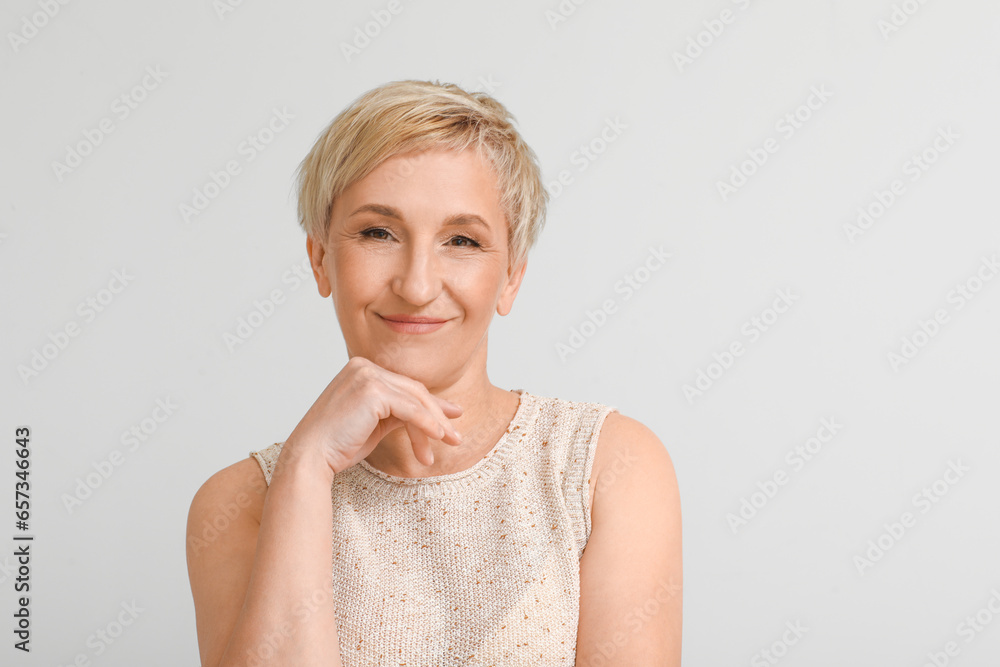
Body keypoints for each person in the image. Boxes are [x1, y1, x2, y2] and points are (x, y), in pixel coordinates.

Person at [185, 79, 682, 666]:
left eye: (462, 240)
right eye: (378, 232)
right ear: (321, 260)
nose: (417, 285)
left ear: (512, 277)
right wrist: (306, 468)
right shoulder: (241, 502)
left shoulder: (604, 467)